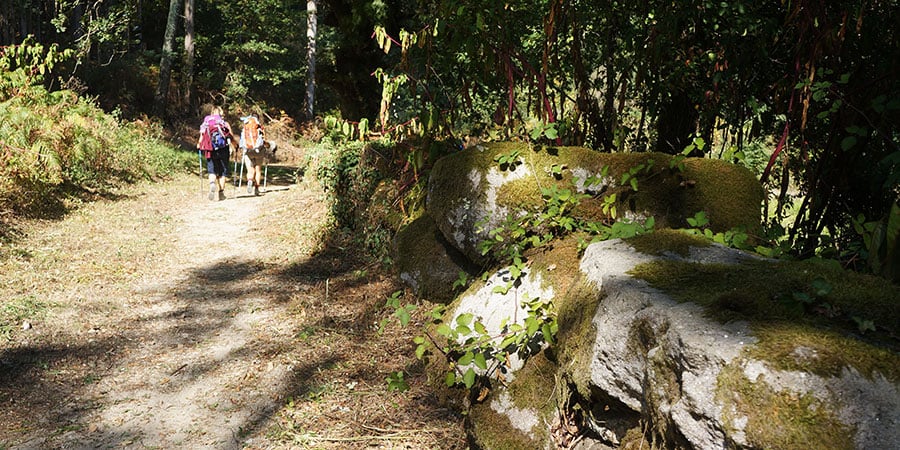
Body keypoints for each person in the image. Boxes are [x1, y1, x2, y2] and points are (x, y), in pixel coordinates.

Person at [196, 107, 234, 201]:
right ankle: (221, 193)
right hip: (223, 149)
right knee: (223, 171)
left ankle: (212, 183)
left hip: (210, 149)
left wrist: (199, 144)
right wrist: (235, 146)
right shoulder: (224, 123)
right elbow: (231, 136)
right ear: (221, 114)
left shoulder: (206, 124)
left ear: (211, 113)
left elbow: (202, 136)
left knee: (211, 170)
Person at [239, 115, 268, 196]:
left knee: (250, 169)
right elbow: (264, 140)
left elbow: (242, 140)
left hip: (248, 150)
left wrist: (242, 148)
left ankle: (250, 180)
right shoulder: (259, 127)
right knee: (258, 170)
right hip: (259, 151)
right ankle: (256, 188)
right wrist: (268, 146)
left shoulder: (246, 127)